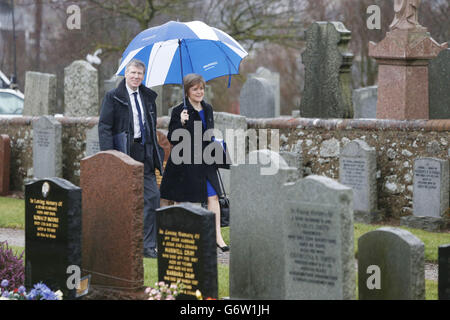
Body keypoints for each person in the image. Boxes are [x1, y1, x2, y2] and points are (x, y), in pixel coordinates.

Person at [98, 59, 164, 258]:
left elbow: (151, 127)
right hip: (125, 151)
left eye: (139, 74)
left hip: (146, 151)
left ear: (143, 77)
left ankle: (147, 245)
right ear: (125, 74)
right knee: (124, 199)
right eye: (133, 73)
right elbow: (105, 127)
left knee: (152, 197)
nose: (136, 77)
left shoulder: (148, 97)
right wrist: (110, 156)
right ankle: (119, 242)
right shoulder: (113, 97)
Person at [160, 73, 229, 252]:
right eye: (195, 89)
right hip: (186, 163)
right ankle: (180, 237)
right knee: (184, 200)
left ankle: (217, 236)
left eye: (201, 89)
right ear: (187, 91)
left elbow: (209, 133)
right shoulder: (179, 111)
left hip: (206, 160)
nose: (199, 92)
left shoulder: (208, 108)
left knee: (213, 196)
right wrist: (181, 123)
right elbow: (172, 138)